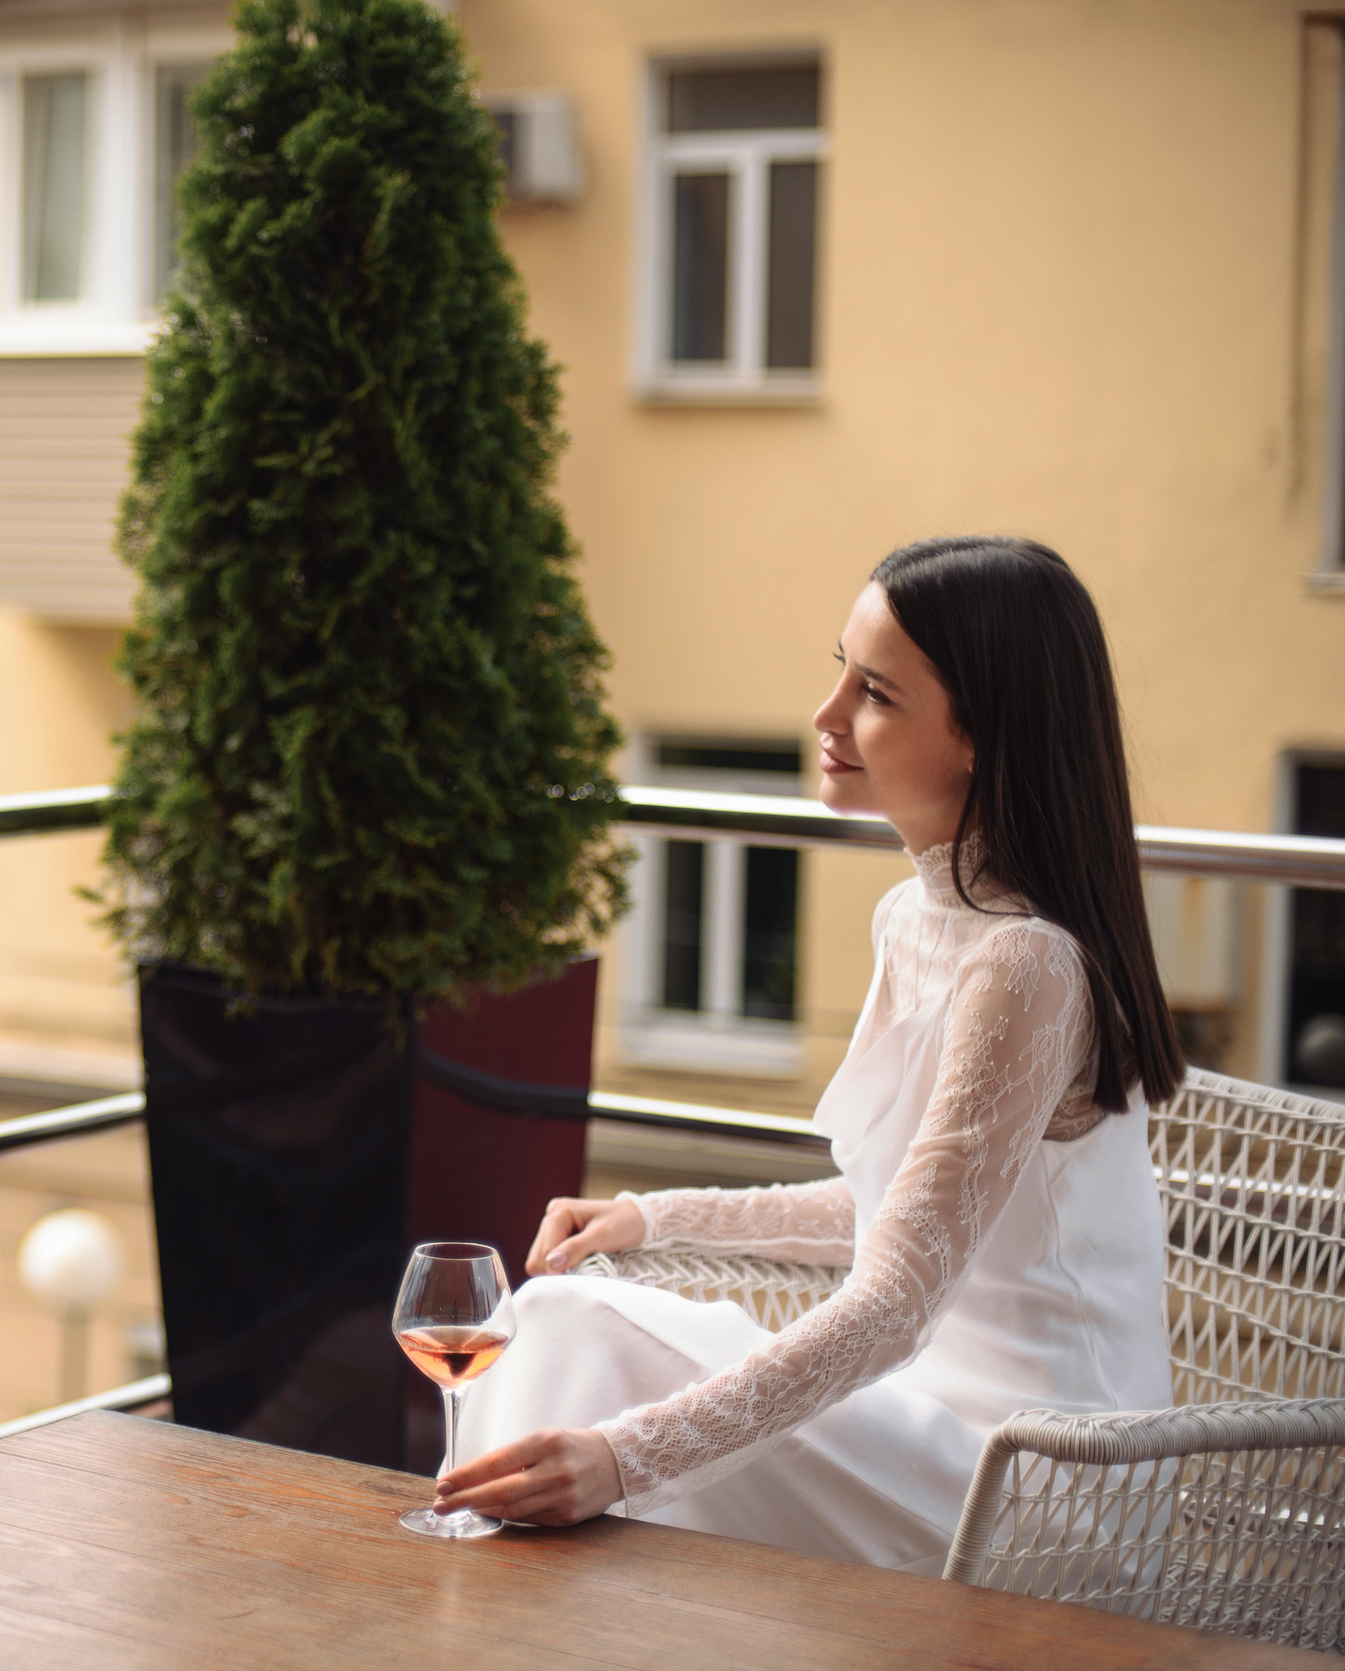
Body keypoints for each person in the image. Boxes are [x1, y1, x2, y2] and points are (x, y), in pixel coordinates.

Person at [433, 536, 1182, 1574]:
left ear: (981, 737)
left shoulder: (1028, 964)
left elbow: (893, 1300)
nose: (827, 715)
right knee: (564, 1321)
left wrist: (621, 1458)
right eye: (839, 669)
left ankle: (465, 1604)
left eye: (873, 691)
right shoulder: (915, 915)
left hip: (1041, 1485)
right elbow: (898, 1211)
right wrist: (656, 1215)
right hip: (914, 1421)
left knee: (572, 1327)